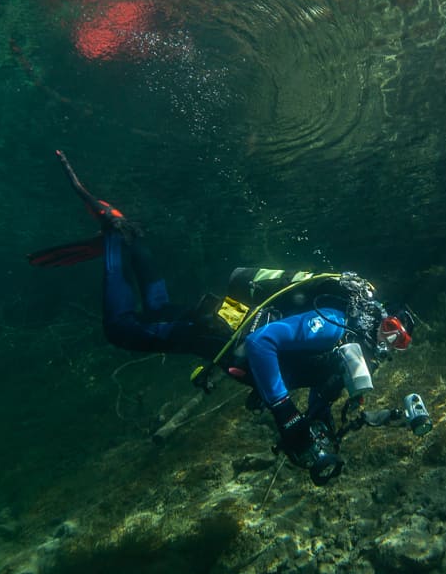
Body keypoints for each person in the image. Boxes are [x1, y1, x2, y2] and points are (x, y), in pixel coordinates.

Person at [28, 150, 416, 484]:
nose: (389, 340)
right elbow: (263, 342)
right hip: (224, 329)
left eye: (400, 340)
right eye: (391, 328)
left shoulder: (347, 359)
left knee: (158, 312)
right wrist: (284, 414)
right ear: (380, 316)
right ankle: (115, 234)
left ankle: (134, 240)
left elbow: (317, 400)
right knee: (121, 329)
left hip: (225, 328)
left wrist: (317, 434)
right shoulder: (334, 323)